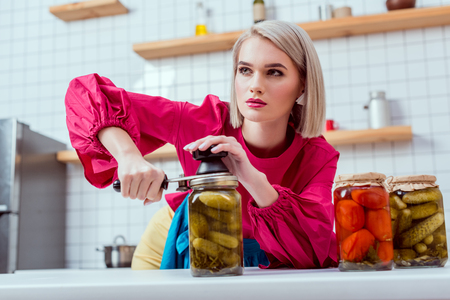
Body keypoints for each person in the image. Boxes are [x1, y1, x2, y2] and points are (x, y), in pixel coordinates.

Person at [65, 20, 339, 270]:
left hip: (270, 256)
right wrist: (128, 156)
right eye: (245, 70)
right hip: (174, 243)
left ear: (302, 84)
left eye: (274, 73)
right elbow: (87, 93)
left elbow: (310, 250)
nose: (255, 86)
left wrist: (251, 178)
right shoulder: (201, 119)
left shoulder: (318, 156)